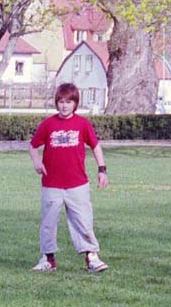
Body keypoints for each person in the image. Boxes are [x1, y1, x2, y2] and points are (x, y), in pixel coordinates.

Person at [28, 82, 110, 273]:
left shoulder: (82, 124)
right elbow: (33, 146)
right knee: (48, 222)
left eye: (69, 101)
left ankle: (92, 257)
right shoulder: (48, 124)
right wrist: (37, 162)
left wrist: (102, 169)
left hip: (77, 184)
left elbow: (95, 146)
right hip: (52, 184)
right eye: (61, 101)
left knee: (83, 220)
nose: (64, 105)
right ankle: (48, 259)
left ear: (75, 103)